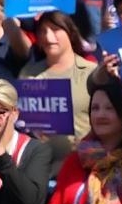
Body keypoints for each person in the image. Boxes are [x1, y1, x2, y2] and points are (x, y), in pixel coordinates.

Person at [18, 11, 95, 152]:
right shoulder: (28, 73)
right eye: (42, 31)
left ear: (70, 32)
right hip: (42, 164)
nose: (48, 37)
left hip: (80, 162)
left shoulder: (91, 72)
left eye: (55, 30)